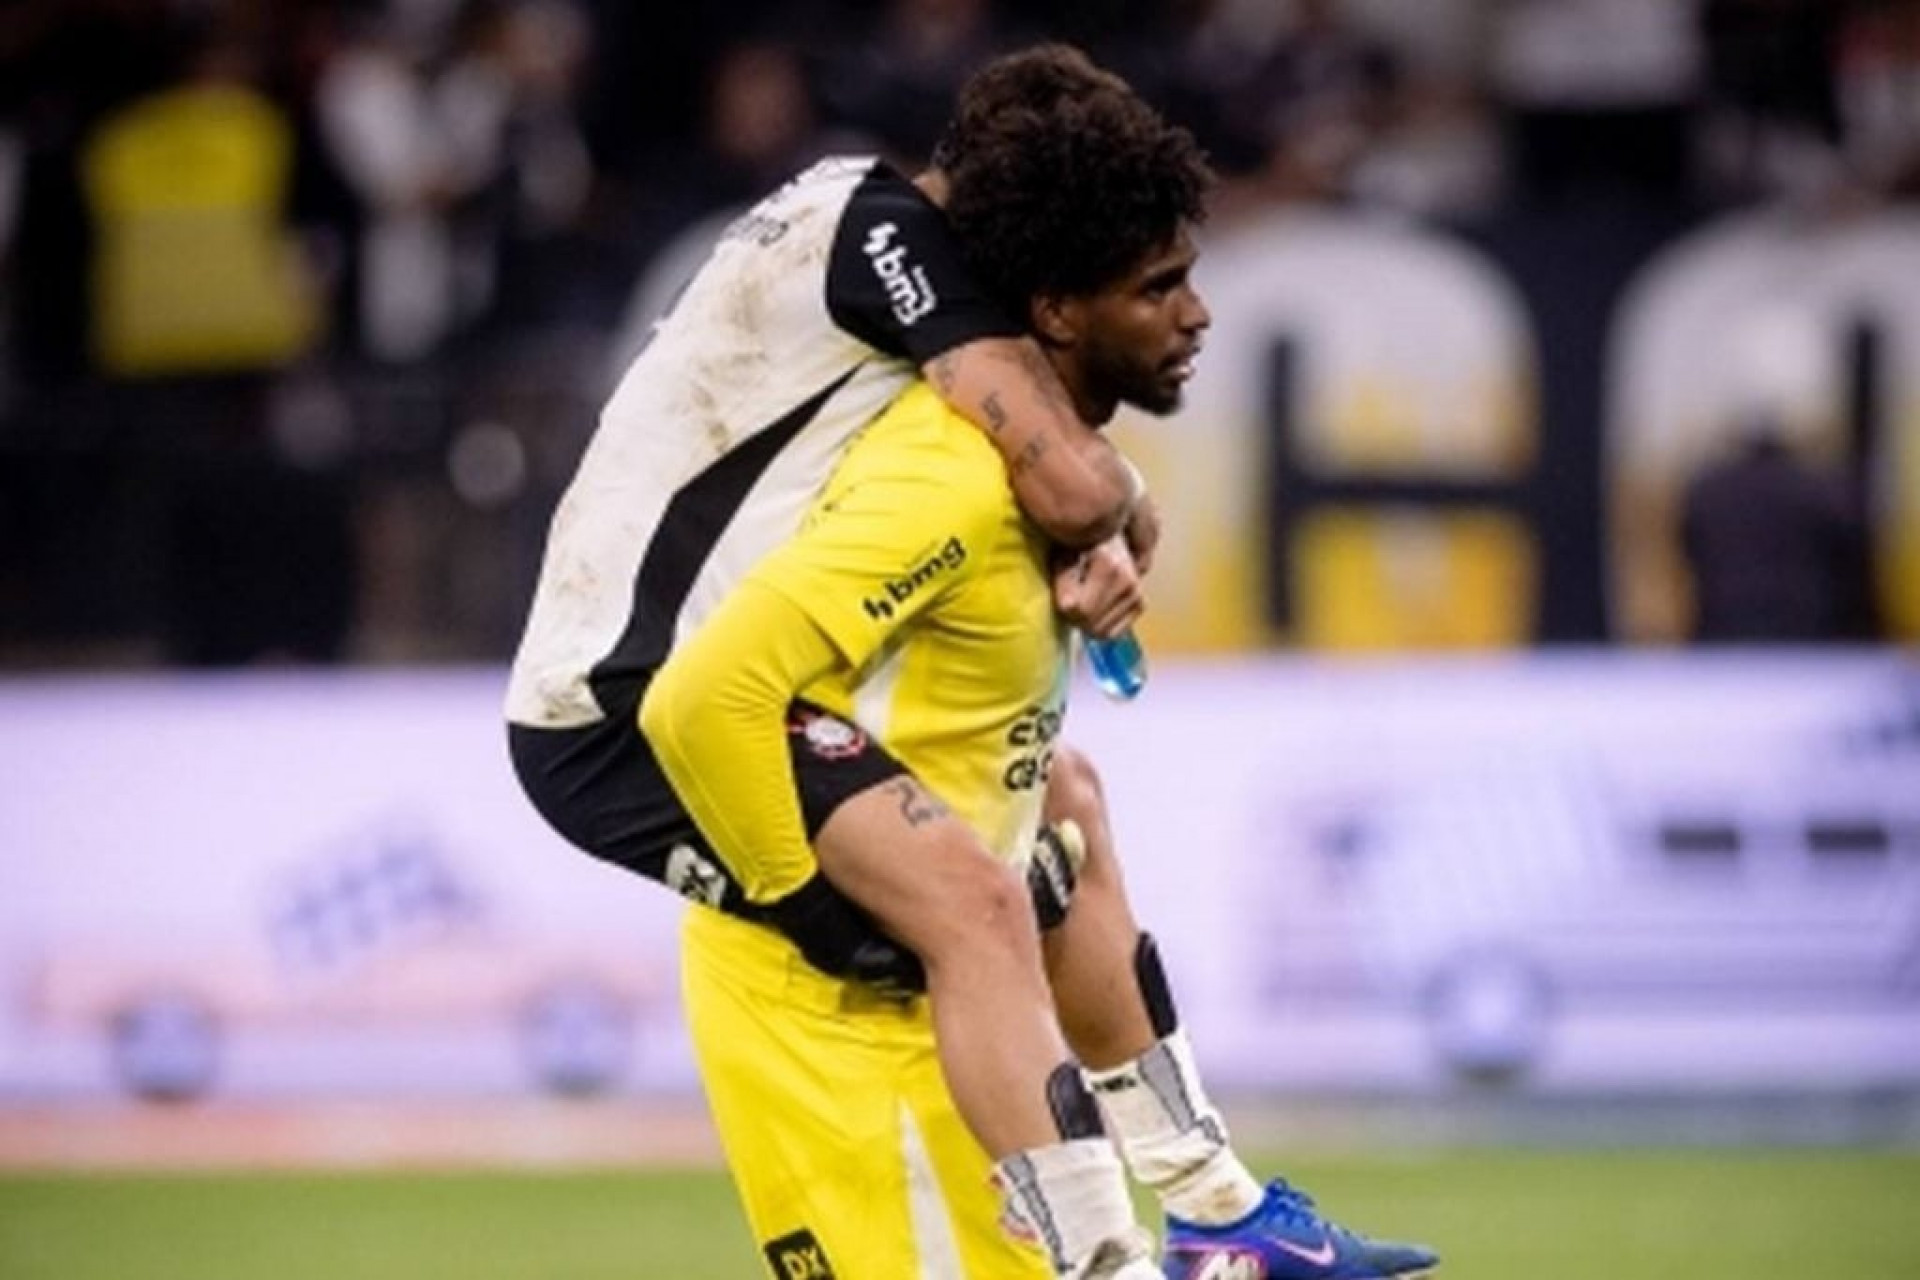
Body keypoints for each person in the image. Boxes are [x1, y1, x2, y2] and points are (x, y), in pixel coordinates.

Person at [509, 43, 1435, 1278]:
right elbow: (1066, 469)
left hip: (690, 666)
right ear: (1045, 290)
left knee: (1064, 802)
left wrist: (1092, 540)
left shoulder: (882, 283)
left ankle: (1215, 1209)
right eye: (1159, 281)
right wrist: (809, 905)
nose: (1196, 313)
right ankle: (1109, 1258)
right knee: (977, 902)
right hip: (612, 711)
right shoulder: (894, 264)